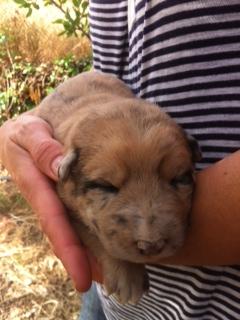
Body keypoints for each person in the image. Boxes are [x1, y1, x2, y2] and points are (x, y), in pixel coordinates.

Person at [1, 0, 240, 319]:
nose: (149, 236)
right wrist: (21, 132)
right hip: (109, 300)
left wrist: (107, 250)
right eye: (108, 186)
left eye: (178, 179)